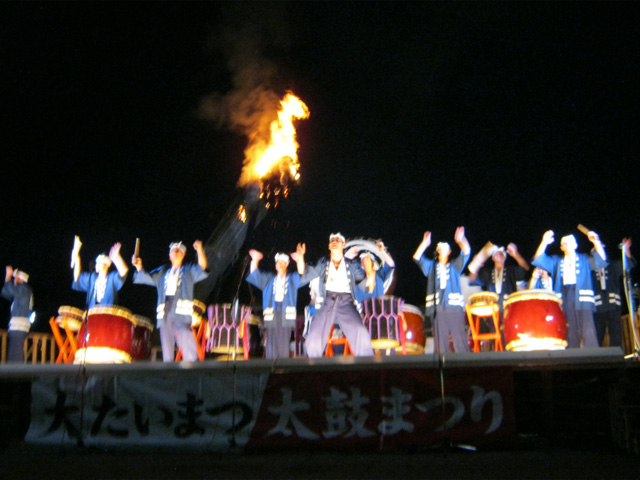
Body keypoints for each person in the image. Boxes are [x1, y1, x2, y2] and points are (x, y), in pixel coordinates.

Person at [132, 241, 208, 362]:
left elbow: (202, 267)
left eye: (179, 251)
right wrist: (138, 266)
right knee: (166, 343)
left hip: (181, 312)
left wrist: (199, 250)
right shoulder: (163, 271)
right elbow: (146, 277)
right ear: (169, 255)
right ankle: (168, 370)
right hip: (165, 310)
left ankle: (193, 366)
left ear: (183, 255)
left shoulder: (188, 270)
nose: (176, 252)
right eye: (173, 250)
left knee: (185, 336)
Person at [532, 229, 606, 348]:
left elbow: (601, 261)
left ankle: (591, 356)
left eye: (570, 242)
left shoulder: (584, 259)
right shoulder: (557, 261)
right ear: (561, 247)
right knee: (569, 326)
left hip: (582, 295)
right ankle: (571, 355)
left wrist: (596, 242)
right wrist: (544, 242)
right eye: (564, 243)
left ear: (576, 245)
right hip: (565, 294)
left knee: (587, 327)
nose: (567, 244)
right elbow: (538, 260)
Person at [305, 233, 375, 357]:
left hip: (346, 302)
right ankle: (313, 365)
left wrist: (370, 271)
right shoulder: (323, 262)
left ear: (343, 245)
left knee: (360, 331)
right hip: (327, 302)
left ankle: (366, 364)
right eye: (332, 240)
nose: (334, 241)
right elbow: (304, 274)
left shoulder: (352, 265)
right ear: (328, 245)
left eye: (337, 240)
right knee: (314, 334)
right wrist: (300, 259)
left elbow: (367, 287)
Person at [245, 243, 312, 359]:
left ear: (287, 264)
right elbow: (254, 275)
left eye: (282, 262)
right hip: (272, 312)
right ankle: (270, 367)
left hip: (286, 313)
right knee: (270, 341)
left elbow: (302, 273)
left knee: (283, 341)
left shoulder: (292, 279)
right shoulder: (269, 279)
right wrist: (255, 260)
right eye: (278, 262)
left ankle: (282, 367)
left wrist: (300, 258)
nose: (279, 264)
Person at [413, 227, 471, 353]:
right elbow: (417, 257)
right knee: (440, 344)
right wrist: (425, 243)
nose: (442, 248)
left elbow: (466, 251)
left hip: (454, 308)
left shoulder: (455, 266)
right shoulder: (431, 267)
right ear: (438, 250)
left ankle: (464, 367)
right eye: (440, 247)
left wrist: (461, 239)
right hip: (437, 309)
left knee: (460, 340)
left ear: (450, 251)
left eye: (445, 247)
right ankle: (443, 369)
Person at [592, 237, 635, 347]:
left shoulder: (612, 267)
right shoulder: (590, 271)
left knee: (616, 333)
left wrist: (626, 250)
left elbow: (629, 264)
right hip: (597, 308)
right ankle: (597, 359)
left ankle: (617, 357)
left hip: (613, 305)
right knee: (598, 334)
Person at [71, 241, 129, 309]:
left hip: (107, 316)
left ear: (106, 265)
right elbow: (76, 278)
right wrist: (77, 259)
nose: (96, 265)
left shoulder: (111, 278)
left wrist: (117, 258)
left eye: (99, 262)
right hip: (91, 315)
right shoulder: (92, 278)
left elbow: (124, 271)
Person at [346, 240, 396, 304]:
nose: (366, 262)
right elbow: (344, 269)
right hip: (361, 310)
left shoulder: (380, 274)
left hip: (378, 309)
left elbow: (391, 264)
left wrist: (382, 251)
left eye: (368, 260)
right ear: (361, 263)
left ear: (373, 262)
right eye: (364, 260)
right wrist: (350, 255)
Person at [1, 267, 34, 362]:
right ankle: (17, 374)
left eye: (15, 278)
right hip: (18, 326)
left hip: (19, 326)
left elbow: (10, 289)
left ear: (20, 279)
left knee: (15, 354)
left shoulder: (24, 289)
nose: (14, 280)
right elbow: (6, 292)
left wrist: (7, 277)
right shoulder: (23, 291)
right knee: (16, 352)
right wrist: (7, 279)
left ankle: (16, 375)